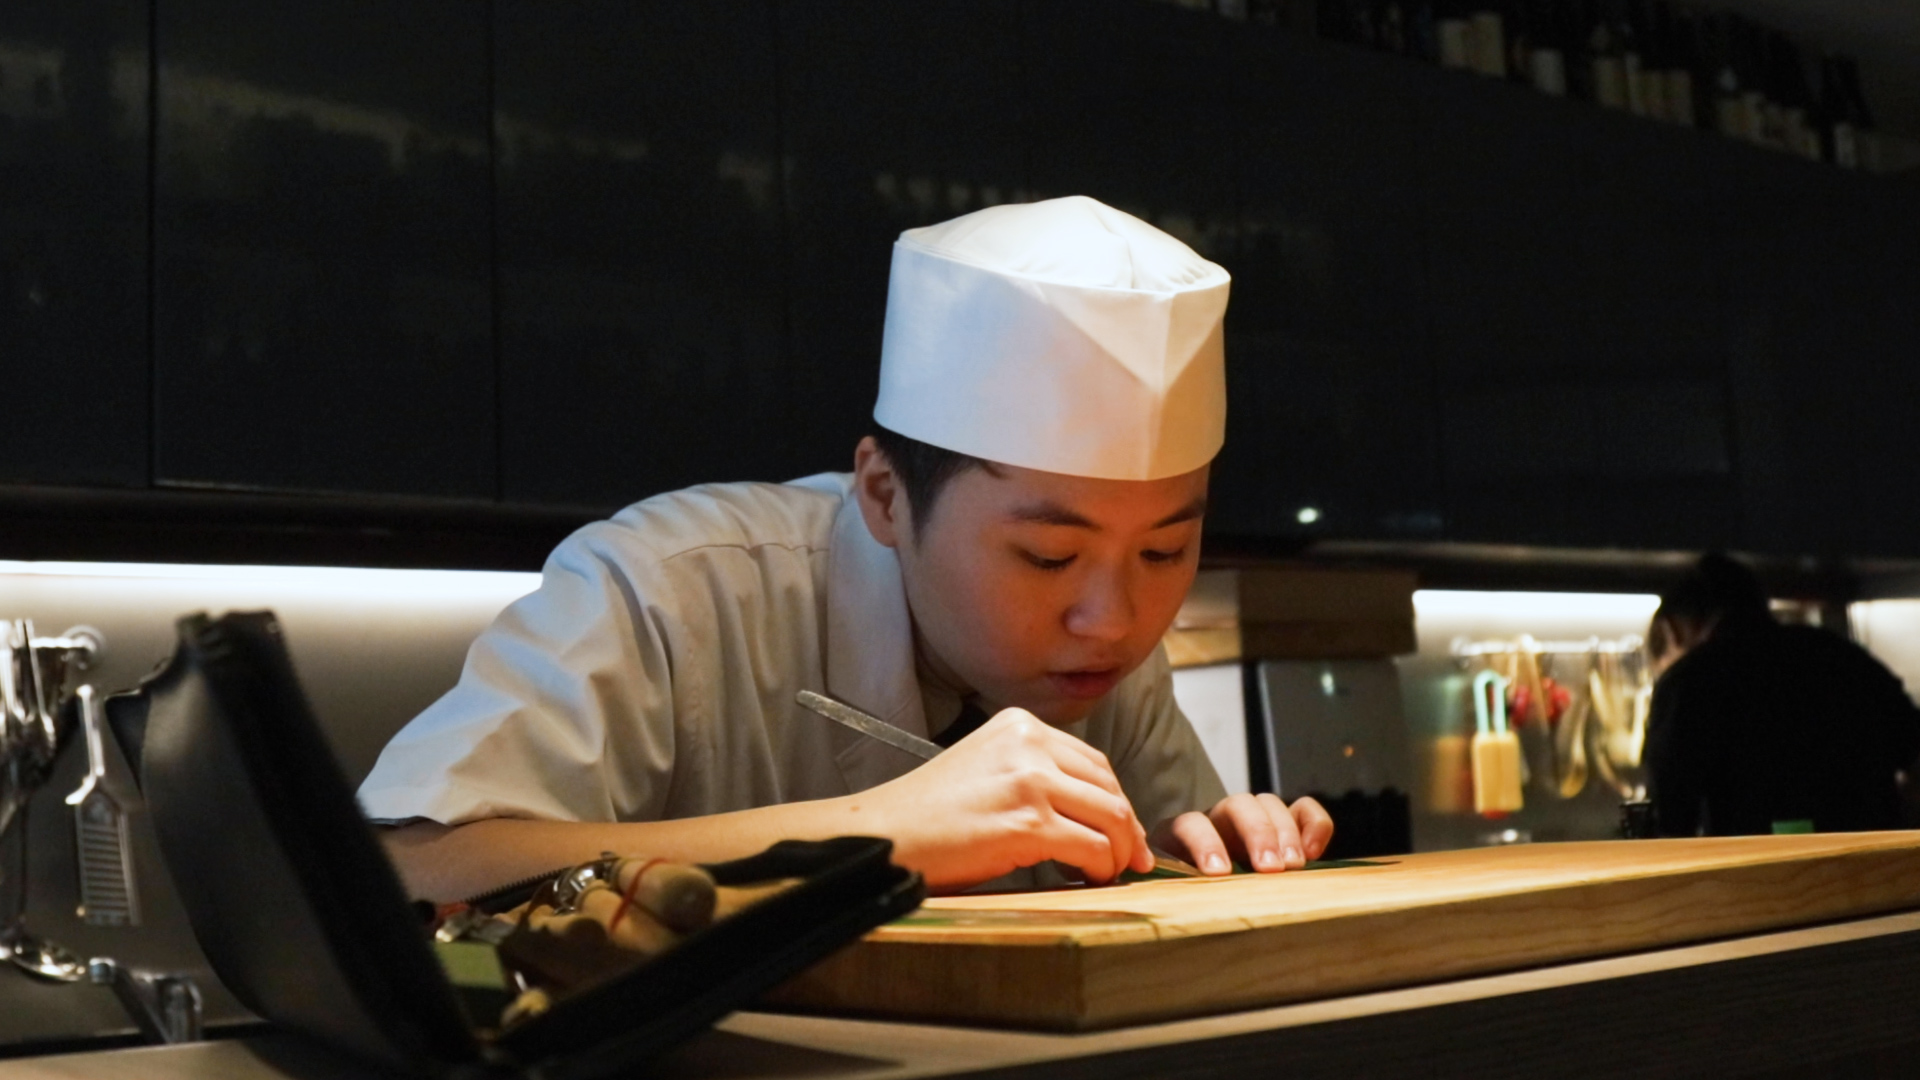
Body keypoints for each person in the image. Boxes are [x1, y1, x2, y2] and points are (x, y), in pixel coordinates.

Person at [359, 196, 1333, 900]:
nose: (1114, 619)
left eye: (1166, 553)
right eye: (1046, 556)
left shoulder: (1108, 660)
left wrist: (1222, 856)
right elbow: (401, 875)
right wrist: (875, 834)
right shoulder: (674, 592)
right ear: (883, 495)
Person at [1645, 553, 1920, 837]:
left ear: (1672, 630)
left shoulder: (1688, 684)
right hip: (1872, 869)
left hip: (1752, 874)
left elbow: (1668, 819)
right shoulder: (1840, 656)